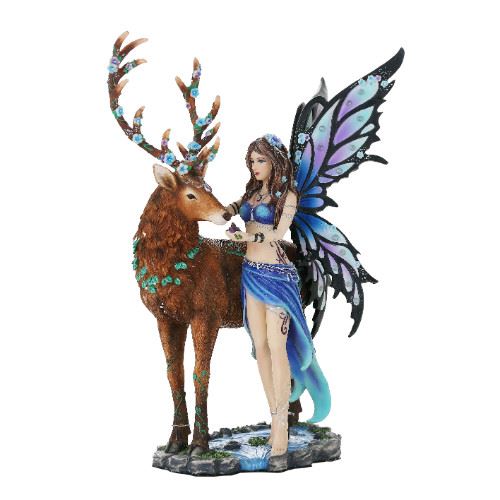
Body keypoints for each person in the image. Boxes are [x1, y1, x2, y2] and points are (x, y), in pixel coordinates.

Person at [225, 134, 331, 461]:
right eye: (252, 161)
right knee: (260, 347)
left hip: (277, 277)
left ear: (275, 161)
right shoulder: (252, 192)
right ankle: (273, 414)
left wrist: (246, 237)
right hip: (250, 273)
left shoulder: (288, 196)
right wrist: (220, 210)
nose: (255, 166)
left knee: (276, 345)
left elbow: (278, 233)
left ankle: (281, 423)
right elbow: (233, 208)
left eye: (261, 160)